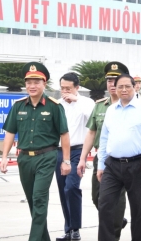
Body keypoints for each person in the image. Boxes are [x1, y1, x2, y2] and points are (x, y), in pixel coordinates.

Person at [0, 62, 69, 241]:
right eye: (29, 82)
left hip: (46, 156)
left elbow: (64, 134)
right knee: (32, 200)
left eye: (37, 82)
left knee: (39, 198)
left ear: (44, 84)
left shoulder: (54, 106)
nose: (32, 86)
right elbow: (10, 132)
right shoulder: (18, 106)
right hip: (24, 159)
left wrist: (66, 160)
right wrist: (4, 157)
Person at [97, 73, 141, 241]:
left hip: (138, 164)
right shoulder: (111, 110)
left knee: (139, 210)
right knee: (105, 205)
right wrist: (101, 165)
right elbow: (104, 138)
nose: (124, 90)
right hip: (112, 165)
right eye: (120, 87)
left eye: (127, 86)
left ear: (134, 87)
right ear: (114, 89)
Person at [77, 61, 129, 240]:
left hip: (123, 158)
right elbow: (91, 132)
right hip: (101, 157)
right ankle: (116, 219)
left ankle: (113, 233)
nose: (112, 84)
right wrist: (83, 158)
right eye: (109, 80)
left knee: (116, 199)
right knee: (97, 198)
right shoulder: (100, 106)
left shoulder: (132, 105)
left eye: (116, 80)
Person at [55, 72, 95, 240]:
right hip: (59, 151)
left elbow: (92, 120)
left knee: (71, 187)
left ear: (77, 88)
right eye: (62, 88)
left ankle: (75, 228)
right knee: (62, 189)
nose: (65, 92)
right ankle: (68, 229)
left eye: (68, 88)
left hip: (77, 150)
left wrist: (76, 100)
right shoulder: (57, 104)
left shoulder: (86, 103)